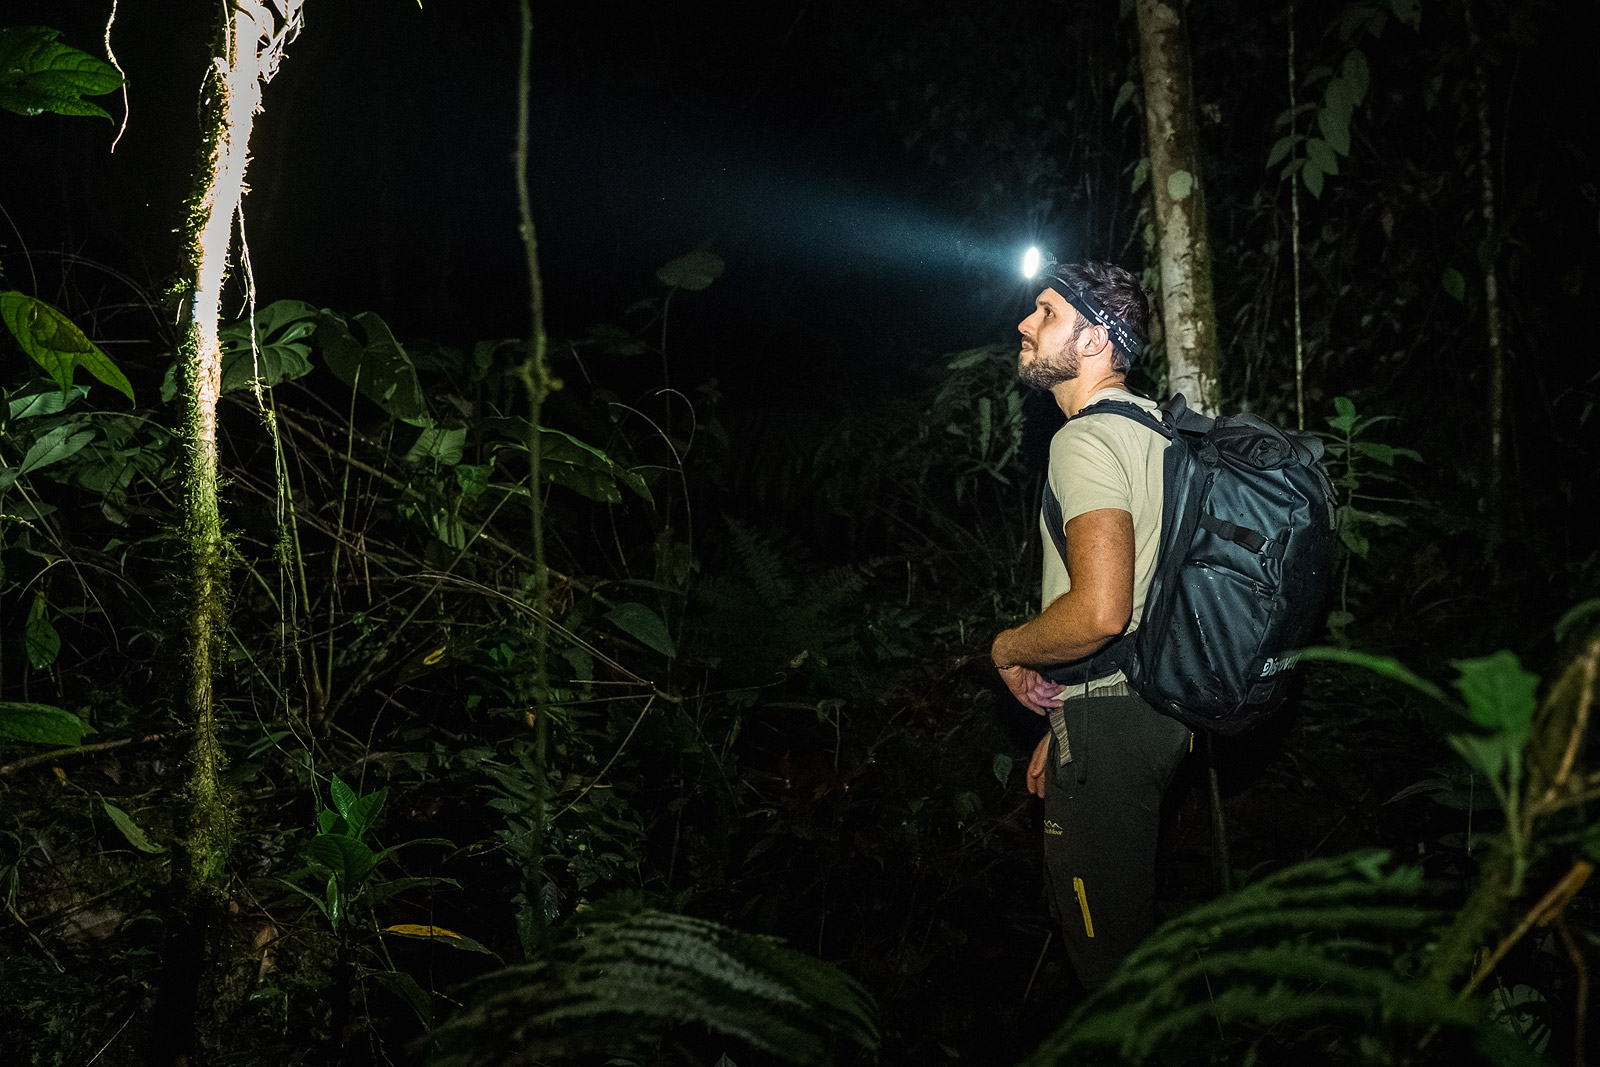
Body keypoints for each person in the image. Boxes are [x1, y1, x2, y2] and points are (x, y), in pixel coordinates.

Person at [988, 258, 1191, 993]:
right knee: (1128, 929)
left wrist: (1008, 647)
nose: (1025, 324)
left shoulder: (1083, 440)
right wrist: (1065, 724)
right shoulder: (1161, 434)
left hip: (1114, 726)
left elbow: (1103, 609)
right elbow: (1147, 604)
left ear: (1097, 339)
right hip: (1154, 712)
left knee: (1112, 971)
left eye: (1045, 312)